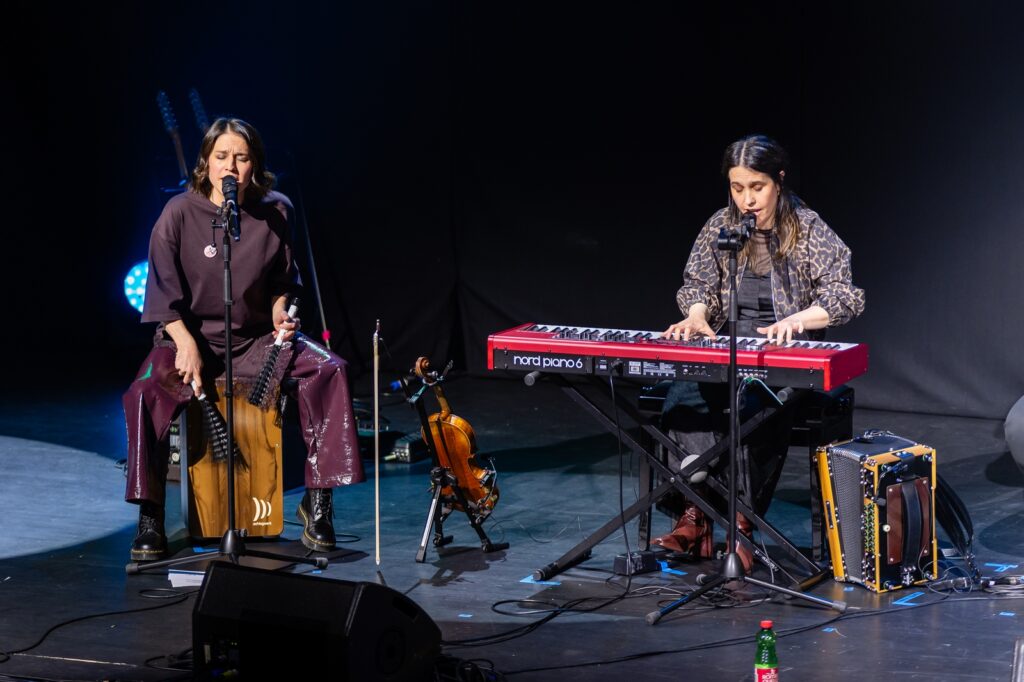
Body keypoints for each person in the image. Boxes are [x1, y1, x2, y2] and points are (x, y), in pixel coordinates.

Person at [123, 117, 363, 561]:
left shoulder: (277, 211)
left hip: (255, 340)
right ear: (206, 162)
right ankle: (150, 515)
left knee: (329, 370)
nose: (230, 167)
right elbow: (161, 295)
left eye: (241, 157)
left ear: (255, 164)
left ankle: (318, 502)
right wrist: (185, 344)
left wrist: (280, 314)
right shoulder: (178, 212)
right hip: (188, 338)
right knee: (144, 391)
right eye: (221, 157)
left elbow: (283, 285)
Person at [653, 134, 865, 572]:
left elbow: (845, 296)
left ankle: (741, 523)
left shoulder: (807, 228)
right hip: (728, 344)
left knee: (757, 410)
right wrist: (696, 315)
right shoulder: (722, 226)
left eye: (757, 187)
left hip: (784, 352)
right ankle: (696, 512)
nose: (747, 199)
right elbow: (698, 284)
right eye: (737, 188)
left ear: (778, 181)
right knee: (683, 396)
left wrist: (799, 320)